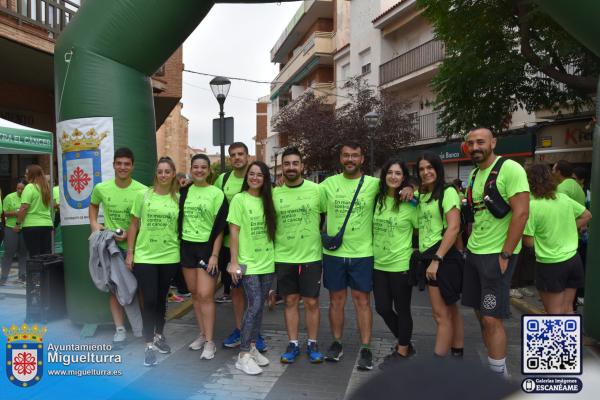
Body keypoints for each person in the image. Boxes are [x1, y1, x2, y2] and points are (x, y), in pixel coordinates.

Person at [461, 127, 529, 377]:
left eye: (480, 142)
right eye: (470, 143)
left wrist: (506, 254)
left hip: (496, 256)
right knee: (481, 314)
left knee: (492, 318)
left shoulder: (510, 169)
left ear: (493, 142)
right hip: (475, 253)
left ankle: (499, 375)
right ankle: (493, 364)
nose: (475, 147)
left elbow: (521, 213)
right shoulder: (475, 175)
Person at [319, 141, 382, 371]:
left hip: (363, 253)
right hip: (334, 254)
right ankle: (337, 343)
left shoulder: (374, 184)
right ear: (340, 158)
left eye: (354, 156)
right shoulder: (328, 185)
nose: (350, 160)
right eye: (346, 155)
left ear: (362, 159)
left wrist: (407, 188)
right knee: (336, 301)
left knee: (362, 301)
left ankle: (366, 347)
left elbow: (400, 187)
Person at [126, 156, 180, 367]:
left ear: (173, 173)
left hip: (169, 255)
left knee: (160, 299)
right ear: (156, 174)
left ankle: (158, 336)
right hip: (145, 255)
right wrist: (130, 253)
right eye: (160, 171)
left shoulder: (178, 198)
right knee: (148, 299)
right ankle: (148, 344)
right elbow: (133, 225)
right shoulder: (143, 195)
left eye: (168, 171)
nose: (164, 175)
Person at [90, 147, 147, 343]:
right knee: (115, 290)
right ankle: (120, 329)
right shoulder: (101, 188)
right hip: (111, 248)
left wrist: (131, 237)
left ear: (133, 166)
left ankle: (144, 329)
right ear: (113, 165)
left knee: (139, 289)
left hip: (137, 249)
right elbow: (93, 205)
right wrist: (95, 226)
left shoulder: (142, 190)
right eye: (119, 163)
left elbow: (142, 221)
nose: (123, 167)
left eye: (127, 164)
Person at [273, 147, 324, 364]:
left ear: (302, 166)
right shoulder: (274, 194)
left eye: (295, 163)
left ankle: (312, 342)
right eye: (287, 164)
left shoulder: (317, 190)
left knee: (312, 302)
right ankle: (293, 344)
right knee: (290, 301)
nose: (291, 167)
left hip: (311, 256)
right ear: (281, 167)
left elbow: (324, 217)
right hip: (284, 256)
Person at [214, 142, 266, 352]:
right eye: (233, 154)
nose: (237, 158)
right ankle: (239, 329)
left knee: (256, 295)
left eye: (240, 154)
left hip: (255, 248)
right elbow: (215, 210)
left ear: (248, 156)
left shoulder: (257, 177)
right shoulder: (222, 180)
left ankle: (255, 332)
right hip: (230, 246)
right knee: (236, 292)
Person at [226, 161, 276, 375]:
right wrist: (234, 262)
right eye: (252, 174)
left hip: (267, 262)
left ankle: (253, 346)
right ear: (247, 177)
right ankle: (243, 354)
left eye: (259, 175)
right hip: (248, 263)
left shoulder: (268, 200)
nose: (255, 178)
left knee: (260, 307)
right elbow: (234, 233)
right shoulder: (239, 199)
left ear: (265, 179)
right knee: (254, 305)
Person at [523, 164, 592, 314]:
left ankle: (556, 339)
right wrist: (567, 228)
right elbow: (587, 215)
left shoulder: (532, 206)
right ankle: (574, 338)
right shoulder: (563, 198)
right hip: (573, 260)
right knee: (568, 310)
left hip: (551, 264)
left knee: (554, 313)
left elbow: (528, 241)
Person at [416, 152, 464, 358]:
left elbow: (454, 227)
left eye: (430, 167)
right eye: (421, 169)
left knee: (439, 314)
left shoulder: (448, 191)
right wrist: (408, 188)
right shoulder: (423, 195)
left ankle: (437, 363)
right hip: (431, 256)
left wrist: (437, 260)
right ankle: (457, 348)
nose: (426, 172)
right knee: (450, 308)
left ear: (438, 169)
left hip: (442, 257)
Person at [179, 154, 227, 360]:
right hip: (187, 246)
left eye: (203, 167)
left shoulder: (217, 194)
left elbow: (219, 228)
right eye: (195, 167)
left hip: (207, 248)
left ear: (209, 170)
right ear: (191, 169)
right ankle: (202, 334)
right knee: (195, 294)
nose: (199, 170)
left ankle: (210, 342)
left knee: (206, 295)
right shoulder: (184, 191)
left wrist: (215, 255)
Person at [372, 158, 418, 369]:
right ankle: (406, 342)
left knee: (402, 309)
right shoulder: (377, 199)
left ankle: (401, 352)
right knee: (382, 308)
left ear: (404, 177)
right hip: (378, 265)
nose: (393, 176)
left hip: (400, 265)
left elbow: (423, 226)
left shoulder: (412, 202)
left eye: (398, 173)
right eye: (390, 172)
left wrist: (412, 189)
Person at [14, 164, 53, 256]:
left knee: (35, 255)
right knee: (46, 254)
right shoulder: (46, 187)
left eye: (27, 173)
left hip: (32, 225)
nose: (25, 175)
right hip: (47, 224)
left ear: (32, 174)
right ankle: (46, 271)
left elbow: (24, 208)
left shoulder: (29, 187)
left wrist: (17, 224)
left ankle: (37, 271)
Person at [1, 179, 28, 285]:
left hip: (25, 227)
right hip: (11, 227)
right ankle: (3, 277)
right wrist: (16, 213)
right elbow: (4, 213)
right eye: (18, 188)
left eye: (22, 188)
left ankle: (22, 276)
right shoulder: (9, 197)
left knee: (23, 253)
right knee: (9, 253)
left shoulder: (28, 198)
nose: (20, 190)